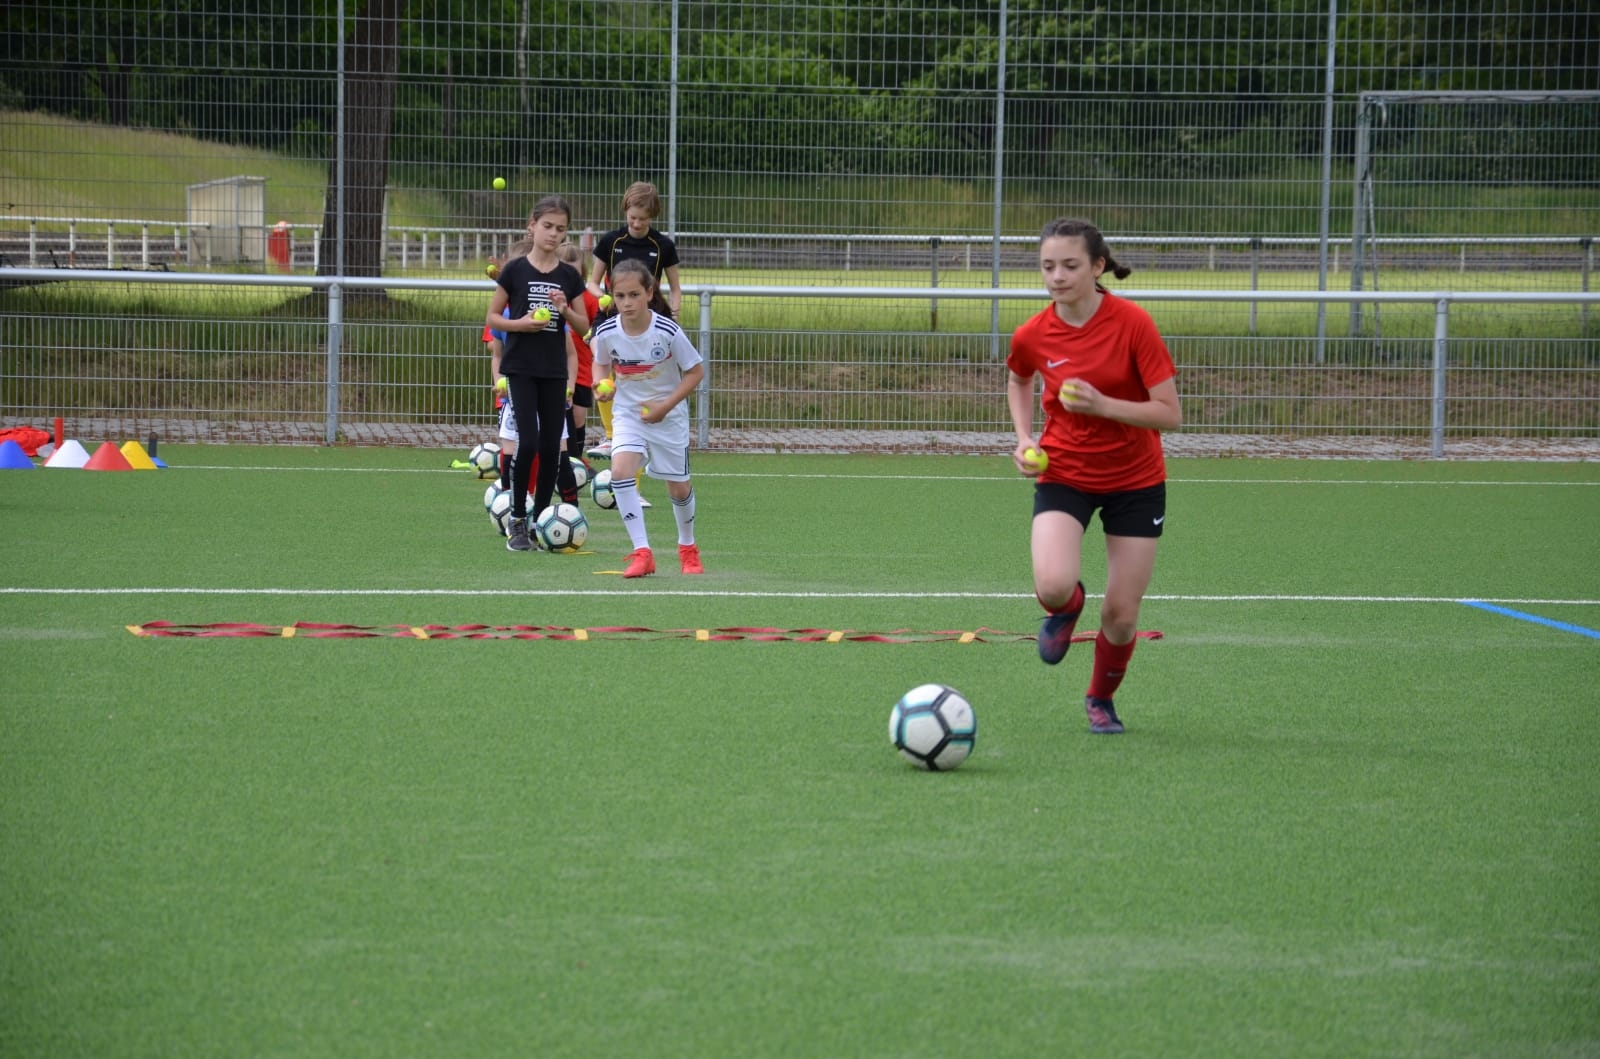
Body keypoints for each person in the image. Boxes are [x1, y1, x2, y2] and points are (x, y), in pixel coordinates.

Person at [1006, 217, 1181, 735]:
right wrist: (1024, 437)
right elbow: (1018, 378)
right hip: (1065, 471)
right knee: (1053, 585)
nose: (1057, 276)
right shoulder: (1033, 333)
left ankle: (1100, 699)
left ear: (1097, 266)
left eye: (1069, 265)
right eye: (1047, 266)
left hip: (1136, 479)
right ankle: (1067, 608)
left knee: (1122, 616)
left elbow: (1169, 414)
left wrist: (1104, 404)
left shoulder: (1133, 324)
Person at [589, 258, 705, 578]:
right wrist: (600, 384)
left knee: (678, 488)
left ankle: (688, 547)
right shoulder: (607, 331)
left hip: (668, 416)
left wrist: (664, 407)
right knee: (620, 472)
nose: (627, 303)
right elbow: (600, 363)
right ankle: (642, 553)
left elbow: (695, 372)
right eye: (620, 296)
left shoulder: (667, 330)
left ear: (650, 293)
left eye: (634, 295)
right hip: (628, 413)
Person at [487, 196, 589, 552]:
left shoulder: (568, 276)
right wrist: (522, 325)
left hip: (554, 371)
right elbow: (493, 318)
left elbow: (584, 326)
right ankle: (517, 519)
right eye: (547, 226)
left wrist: (565, 309)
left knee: (551, 448)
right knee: (527, 442)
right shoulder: (515, 270)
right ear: (532, 226)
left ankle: (540, 519)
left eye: (561, 229)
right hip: (520, 369)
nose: (553, 234)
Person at [586, 181, 683, 463]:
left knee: (644, 374)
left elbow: (675, 289)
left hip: (648, 319)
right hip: (611, 315)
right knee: (600, 357)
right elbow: (592, 283)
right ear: (625, 211)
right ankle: (611, 435)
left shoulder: (663, 245)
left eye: (643, 219)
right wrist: (604, 298)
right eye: (632, 218)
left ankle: (648, 430)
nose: (637, 224)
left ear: (652, 216)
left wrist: (674, 315)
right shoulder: (611, 241)